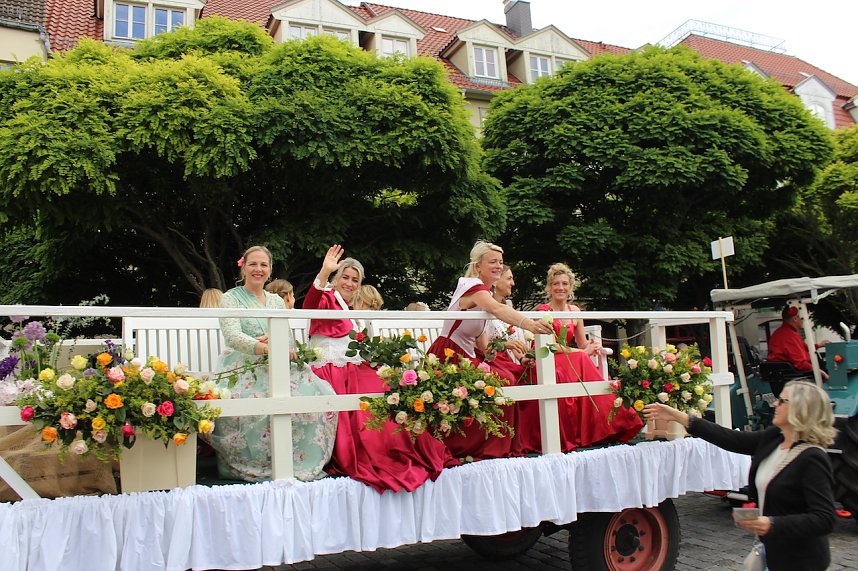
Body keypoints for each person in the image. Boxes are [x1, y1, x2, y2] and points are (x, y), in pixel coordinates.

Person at [303, 244, 456, 492]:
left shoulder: (348, 308)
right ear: (336, 278)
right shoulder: (327, 297)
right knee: (374, 385)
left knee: (385, 384)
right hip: (331, 369)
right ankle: (377, 450)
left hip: (351, 366)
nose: (349, 283)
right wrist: (324, 272)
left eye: (355, 280)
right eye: (345, 277)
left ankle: (398, 448)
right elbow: (309, 305)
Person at [644, 380, 836, 571]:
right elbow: (732, 439)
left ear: (800, 409)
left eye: (782, 401)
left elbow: (824, 518)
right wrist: (680, 417)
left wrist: (772, 524)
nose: (775, 404)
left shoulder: (812, 458)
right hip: (774, 553)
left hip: (802, 561)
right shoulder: (775, 438)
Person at [207, 245, 337, 483]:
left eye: (263, 265)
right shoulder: (230, 298)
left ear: (270, 270)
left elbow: (285, 336)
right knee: (258, 399)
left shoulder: (276, 301)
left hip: (278, 361)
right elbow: (233, 336)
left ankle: (297, 462)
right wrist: (265, 347)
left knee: (320, 393)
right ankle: (256, 463)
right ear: (243, 268)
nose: (258, 269)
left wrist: (285, 348)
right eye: (253, 264)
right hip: (245, 364)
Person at [427, 241, 553, 460]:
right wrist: (530, 324)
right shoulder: (472, 286)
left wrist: (498, 353)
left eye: (500, 262)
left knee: (511, 376)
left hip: (466, 355)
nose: (498, 266)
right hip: (448, 355)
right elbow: (497, 308)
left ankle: (503, 443)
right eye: (493, 262)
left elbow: (483, 343)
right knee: (504, 381)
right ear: (478, 266)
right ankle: (481, 446)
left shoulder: (484, 293)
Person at [532, 263, 643, 451]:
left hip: (570, 358)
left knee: (582, 359)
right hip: (548, 359)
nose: (560, 288)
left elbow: (581, 342)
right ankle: (608, 421)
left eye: (564, 284)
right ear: (549, 287)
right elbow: (551, 345)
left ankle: (609, 423)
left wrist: (592, 347)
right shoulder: (543, 311)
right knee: (582, 359)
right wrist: (582, 352)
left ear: (570, 287)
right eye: (556, 284)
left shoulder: (575, 311)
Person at [767, 305, 828, 380]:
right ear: (795, 318)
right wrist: (819, 372)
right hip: (793, 377)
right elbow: (800, 363)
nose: (804, 320)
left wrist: (819, 345)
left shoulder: (779, 332)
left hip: (781, 376)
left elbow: (803, 347)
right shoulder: (790, 335)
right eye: (803, 317)